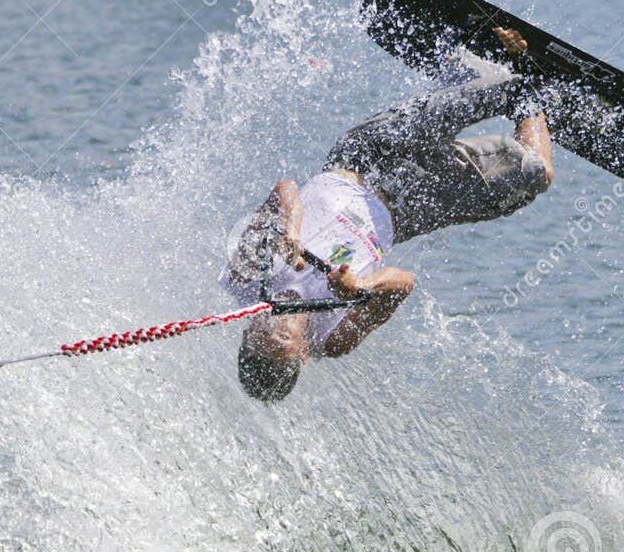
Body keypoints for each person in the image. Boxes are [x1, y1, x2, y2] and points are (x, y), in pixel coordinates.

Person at [221, 27, 555, 402]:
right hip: (408, 206)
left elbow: (284, 189)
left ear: (248, 328)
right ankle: (534, 89)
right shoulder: (334, 338)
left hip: (366, 156)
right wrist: (363, 288)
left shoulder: (245, 276)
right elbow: (403, 283)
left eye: (264, 328)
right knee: (535, 174)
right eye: (285, 335)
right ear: (303, 353)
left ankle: (468, 65)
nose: (279, 320)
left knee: (497, 88)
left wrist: (291, 227)